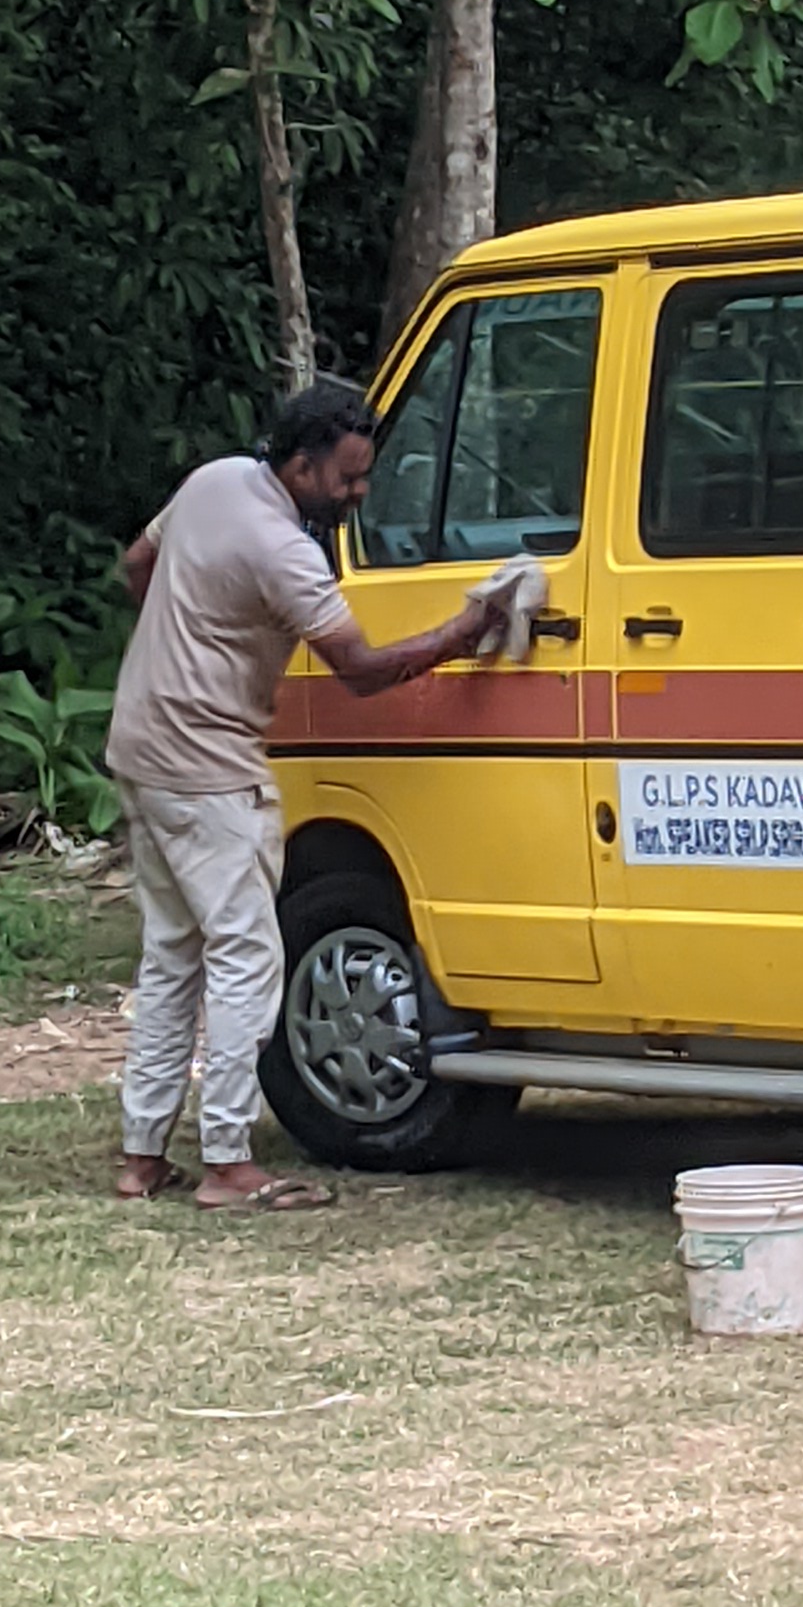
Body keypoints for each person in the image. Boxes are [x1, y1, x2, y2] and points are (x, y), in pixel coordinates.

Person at [106, 380, 503, 1210]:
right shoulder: (284, 551)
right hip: (211, 771)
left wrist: (185, 644)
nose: (358, 493)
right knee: (247, 958)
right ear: (300, 466)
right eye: (347, 478)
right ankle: (226, 1162)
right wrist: (463, 633)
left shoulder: (213, 481)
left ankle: (142, 1157)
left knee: (172, 954)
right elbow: (358, 668)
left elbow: (138, 564)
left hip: (140, 747)